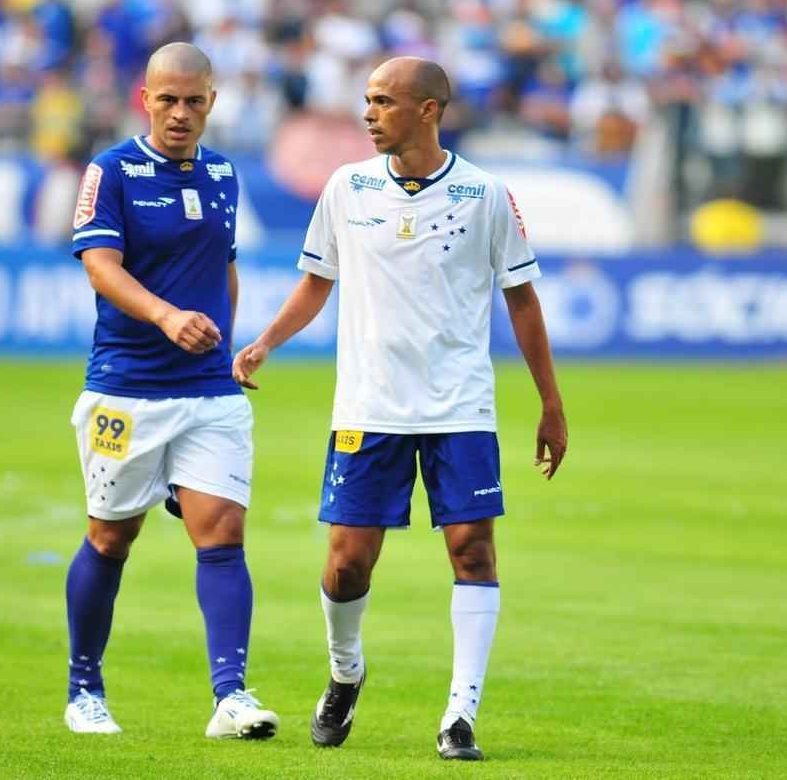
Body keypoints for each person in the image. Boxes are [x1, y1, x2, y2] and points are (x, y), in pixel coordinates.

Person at [232, 56, 567, 761]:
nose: (368, 112)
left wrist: (550, 403)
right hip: (369, 405)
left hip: (460, 407)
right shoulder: (346, 188)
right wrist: (264, 342)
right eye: (367, 99)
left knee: (472, 550)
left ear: (429, 109)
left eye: (384, 100)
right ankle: (345, 672)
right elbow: (316, 282)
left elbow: (523, 299)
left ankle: (459, 716)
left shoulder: (484, 194)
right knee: (348, 564)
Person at [62, 42, 278, 740]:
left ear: (213, 101)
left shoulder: (223, 172)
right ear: (144, 99)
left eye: (193, 101)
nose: (180, 113)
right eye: (167, 100)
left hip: (209, 392)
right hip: (128, 390)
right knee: (110, 536)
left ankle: (231, 696)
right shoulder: (112, 170)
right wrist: (164, 315)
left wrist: (228, 344)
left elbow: (226, 267)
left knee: (223, 533)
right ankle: (84, 688)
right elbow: (100, 265)